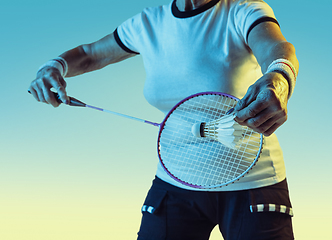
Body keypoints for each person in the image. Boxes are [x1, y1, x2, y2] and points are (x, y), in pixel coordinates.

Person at [29, 0, 299, 239]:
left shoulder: (243, 10)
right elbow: (89, 54)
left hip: (253, 185)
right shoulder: (147, 23)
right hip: (175, 180)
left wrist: (279, 77)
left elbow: (277, 48)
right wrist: (53, 66)